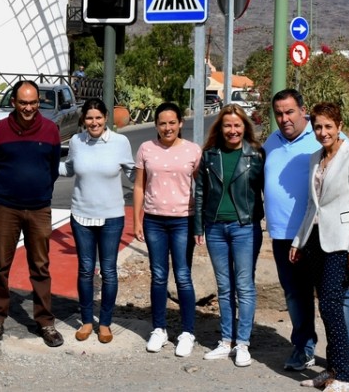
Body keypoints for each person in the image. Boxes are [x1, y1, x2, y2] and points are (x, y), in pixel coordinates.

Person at [264, 89, 349, 379]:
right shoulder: (272, 141)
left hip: (325, 236)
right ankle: (303, 347)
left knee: (336, 297)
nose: (284, 118)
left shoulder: (330, 141)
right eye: (279, 113)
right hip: (287, 236)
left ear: (303, 111)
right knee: (296, 296)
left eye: (290, 112)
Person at [290, 102, 349, 392]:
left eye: (328, 126)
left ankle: (346, 376)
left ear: (339, 126)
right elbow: (312, 205)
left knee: (331, 303)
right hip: (315, 240)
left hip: (341, 242)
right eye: (318, 127)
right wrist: (299, 240)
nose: (323, 132)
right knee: (325, 306)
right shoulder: (316, 158)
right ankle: (334, 369)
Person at [0, 80, 64, 347]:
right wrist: (3, 195)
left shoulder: (51, 130)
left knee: (40, 266)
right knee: (0, 265)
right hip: (7, 207)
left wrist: (40, 191)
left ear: (38, 102)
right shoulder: (0, 131)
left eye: (33, 102)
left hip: (39, 208)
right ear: (14, 103)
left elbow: (52, 169)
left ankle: (45, 322)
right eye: (23, 103)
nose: (28, 108)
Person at [194, 104, 265, 367]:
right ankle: (226, 341)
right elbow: (200, 191)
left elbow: (266, 190)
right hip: (214, 228)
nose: (232, 130)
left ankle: (243, 343)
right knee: (224, 287)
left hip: (244, 227)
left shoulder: (256, 155)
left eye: (237, 125)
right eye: (227, 125)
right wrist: (198, 226)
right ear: (220, 128)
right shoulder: (210, 155)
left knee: (244, 286)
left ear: (245, 127)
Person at [59, 99, 134, 344]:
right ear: (84, 120)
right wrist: (42, 162)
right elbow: (69, 169)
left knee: (109, 271)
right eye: (89, 118)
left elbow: (134, 173)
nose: (94, 122)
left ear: (106, 118)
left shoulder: (120, 143)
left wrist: (155, 172)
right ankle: (87, 321)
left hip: (112, 217)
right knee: (85, 269)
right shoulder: (77, 142)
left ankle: (105, 323)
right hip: (81, 215)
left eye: (98, 118)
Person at [132, 102, 202, 357]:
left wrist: (201, 223)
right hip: (154, 221)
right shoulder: (146, 149)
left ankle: (187, 332)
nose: (167, 127)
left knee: (183, 275)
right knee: (158, 275)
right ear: (156, 125)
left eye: (172, 122)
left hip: (184, 220)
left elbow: (201, 189)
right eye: (162, 123)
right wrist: (137, 220)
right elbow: (139, 186)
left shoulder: (193, 151)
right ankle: (159, 329)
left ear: (180, 123)